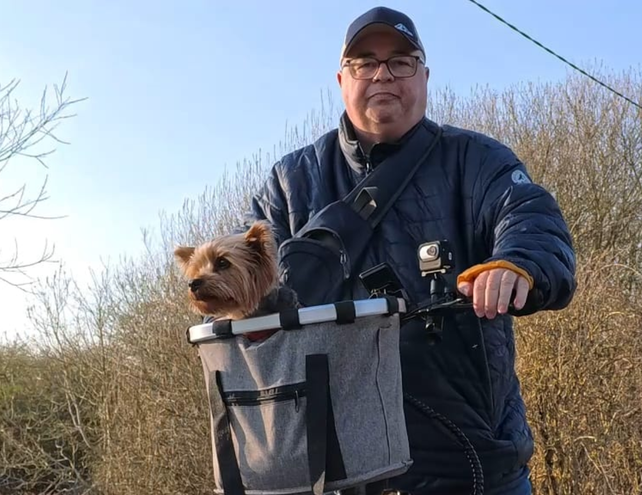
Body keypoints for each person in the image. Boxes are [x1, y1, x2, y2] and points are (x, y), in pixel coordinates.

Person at [242, 6, 577, 495]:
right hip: (334, 471)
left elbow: (530, 216)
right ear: (341, 79)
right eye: (364, 62)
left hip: (474, 465)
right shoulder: (290, 183)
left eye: (401, 61)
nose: (383, 74)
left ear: (424, 76)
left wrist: (517, 265)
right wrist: (236, 302)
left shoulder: (476, 160)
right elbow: (246, 271)